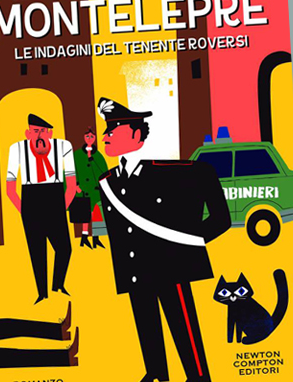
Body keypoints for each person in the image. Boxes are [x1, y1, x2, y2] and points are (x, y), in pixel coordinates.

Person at [96, 97, 230, 382]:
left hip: (171, 268)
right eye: (106, 130)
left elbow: (221, 218)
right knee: (145, 323)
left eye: (113, 130)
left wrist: (190, 245)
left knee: (182, 325)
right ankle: (157, 373)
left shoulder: (173, 173)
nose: (105, 136)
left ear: (135, 135)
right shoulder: (107, 181)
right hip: (134, 270)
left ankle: (197, 376)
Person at [5, 114, 78, 304]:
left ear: (50, 133)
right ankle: (42, 293)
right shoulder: (17, 149)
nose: (39, 136)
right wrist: (25, 212)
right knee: (37, 252)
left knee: (64, 249)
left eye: (43, 132)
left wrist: (62, 208)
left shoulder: (64, 146)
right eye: (36, 131)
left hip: (55, 199)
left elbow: (71, 183)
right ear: (28, 133)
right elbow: (10, 187)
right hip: (31, 198)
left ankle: (58, 285)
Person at [71, 127, 109, 249]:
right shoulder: (77, 155)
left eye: (92, 137)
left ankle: (96, 238)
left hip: (96, 190)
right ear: (84, 137)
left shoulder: (98, 155)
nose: (89, 138)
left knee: (97, 214)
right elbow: (72, 170)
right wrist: (75, 185)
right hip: (82, 190)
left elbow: (104, 170)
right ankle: (84, 237)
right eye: (87, 136)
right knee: (84, 215)